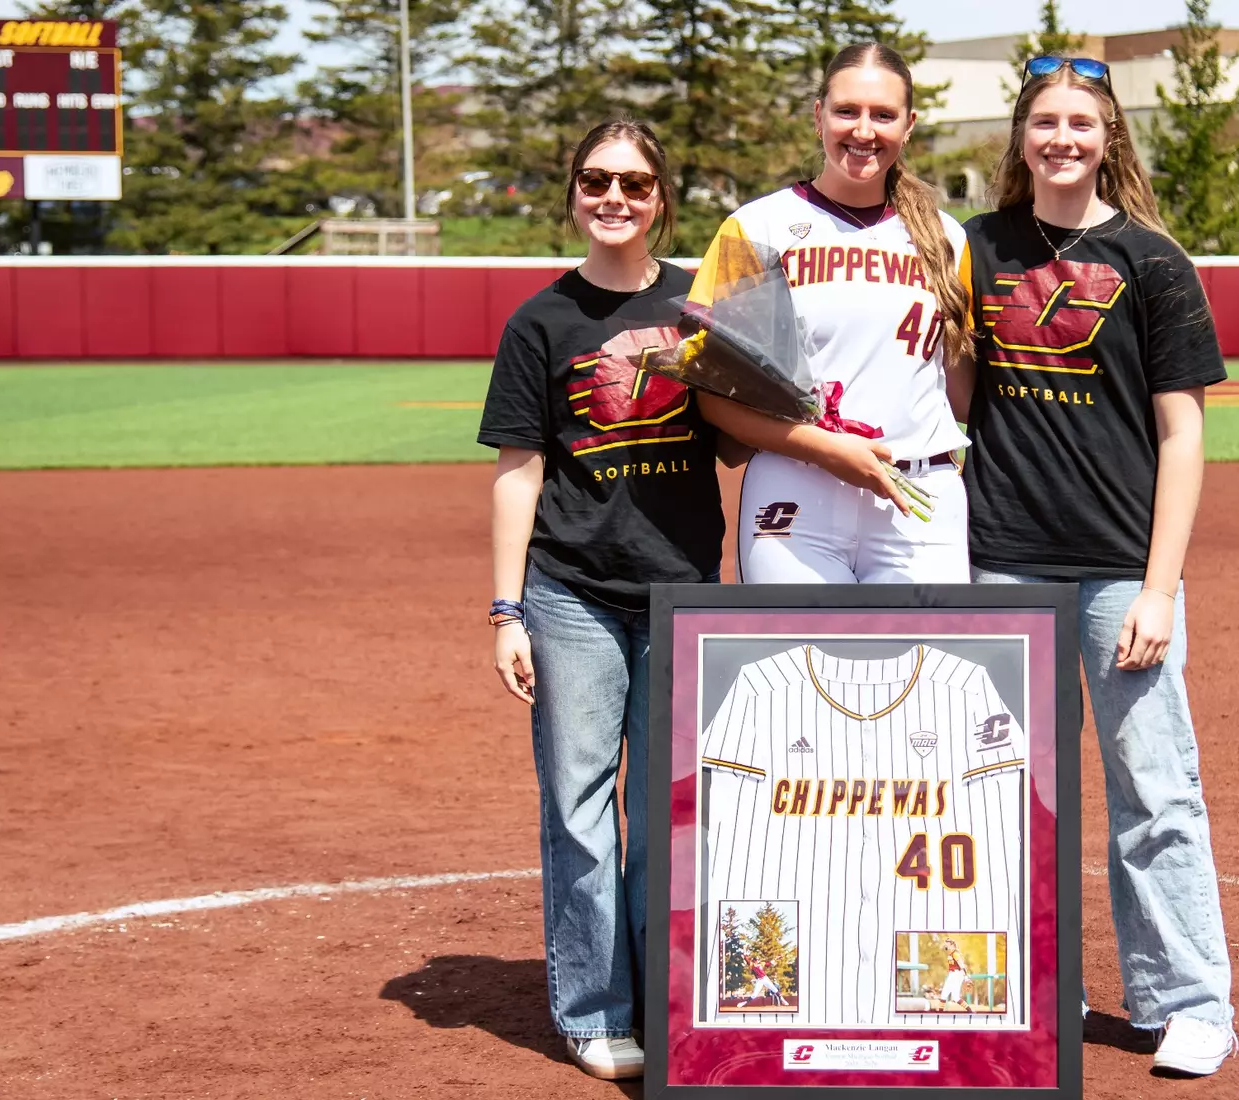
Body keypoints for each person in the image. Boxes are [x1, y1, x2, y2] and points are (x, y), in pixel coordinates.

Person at [957, 57, 1238, 1077]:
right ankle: (1037, 985)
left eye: (1081, 121)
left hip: (1121, 569)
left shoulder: (1153, 260)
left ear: (1108, 134)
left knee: (1154, 790)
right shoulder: (975, 249)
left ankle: (1188, 999)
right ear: (1021, 136)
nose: (1062, 138)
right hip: (1003, 564)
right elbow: (948, 393)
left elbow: (1184, 434)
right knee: (1009, 789)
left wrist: (1161, 585)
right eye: (1045, 121)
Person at [476, 118, 726, 1082]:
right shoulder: (541, 322)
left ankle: (666, 999)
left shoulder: (702, 306)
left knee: (669, 811)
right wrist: (506, 612)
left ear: (661, 194)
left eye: (632, 181)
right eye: (594, 180)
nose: (613, 197)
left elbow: (741, 438)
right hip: (572, 592)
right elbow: (519, 471)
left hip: (682, 593)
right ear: (573, 192)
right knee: (579, 809)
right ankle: (592, 1009)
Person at [688, 42, 975, 584]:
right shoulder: (757, 229)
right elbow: (714, 398)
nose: (864, 130)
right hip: (796, 484)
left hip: (919, 491)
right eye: (847, 111)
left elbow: (962, 391)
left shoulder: (947, 237)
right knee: (800, 667)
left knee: (919, 669)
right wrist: (826, 448)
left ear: (909, 125)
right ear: (818, 115)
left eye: (883, 115)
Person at [941, 940, 966, 1005]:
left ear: (952, 945)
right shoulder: (951, 953)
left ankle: (940, 1012)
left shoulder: (955, 953)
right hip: (954, 974)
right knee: (955, 997)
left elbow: (961, 964)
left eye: (948, 945)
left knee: (944, 995)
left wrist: (965, 975)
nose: (946, 946)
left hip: (956, 973)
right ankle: (970, 1011)